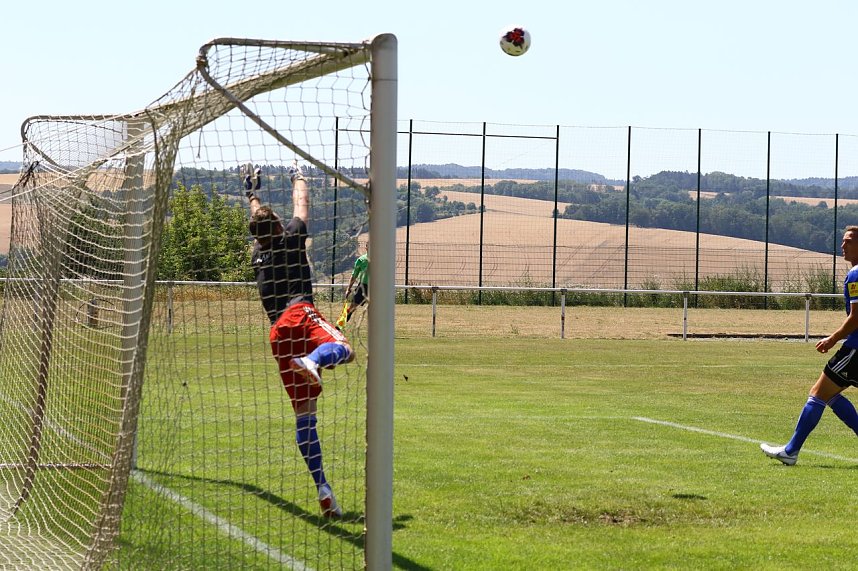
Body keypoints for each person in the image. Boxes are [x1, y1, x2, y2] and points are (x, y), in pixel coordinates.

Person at [244, 161, 354, 517]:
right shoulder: (290, 235)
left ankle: (324, 489)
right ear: (278, 226)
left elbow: (259, 219)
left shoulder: (257, 252)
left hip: (277, 333)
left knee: (305, 416)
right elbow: (301, 204)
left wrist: (251, 192)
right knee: (347, 350)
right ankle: (315, 361)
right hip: (300, 312)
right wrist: (299, 176)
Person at [761, 225, 858, 465]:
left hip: (856, 349)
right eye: (843, 241)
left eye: (848, 241)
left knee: (818, 393)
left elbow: (856, 317)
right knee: (830, 394)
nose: (842, 245)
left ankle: (791, 451)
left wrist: (832, 338)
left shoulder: (856, 274)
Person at [337, 244, 369, 330]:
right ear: (366, 247)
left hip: (377, 287)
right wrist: (348, 289)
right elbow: (354, 275)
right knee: (351, 308)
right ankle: (338, 327)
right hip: (363, 287)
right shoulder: (361, 260)